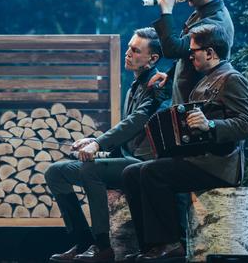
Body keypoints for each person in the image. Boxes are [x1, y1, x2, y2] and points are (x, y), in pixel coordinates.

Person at [121, 24, 248, 262]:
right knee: (131, 172)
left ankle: (171, 243)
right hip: (197, 159)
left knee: (153, 172)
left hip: (217, 165)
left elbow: (246, 124)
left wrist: (210, 125)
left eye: (193, 51)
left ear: (210, 53)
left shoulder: (232, 79)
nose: (189, 56)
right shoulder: (205, 81)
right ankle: (149, 246)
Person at [44, 28, 169, 263]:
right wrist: (94, 143)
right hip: (125, 161)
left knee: (89, 169)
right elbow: (125, 134)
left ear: (152, 59)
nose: (128, 53)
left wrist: (97, 143)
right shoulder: (134, 87)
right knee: (55, 173)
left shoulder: (158, 87)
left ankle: (102, 246)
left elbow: (136, 122)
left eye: (135, 50)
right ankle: (83, 241)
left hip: (143, 165)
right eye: (129, 47)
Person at [150, 0, 234, 104]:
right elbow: (186, 52)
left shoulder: (215, 22)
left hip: (198, 106)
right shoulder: (202, 11)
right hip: (186, 101)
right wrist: (171, 76)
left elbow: (174, 49)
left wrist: (166, 12)